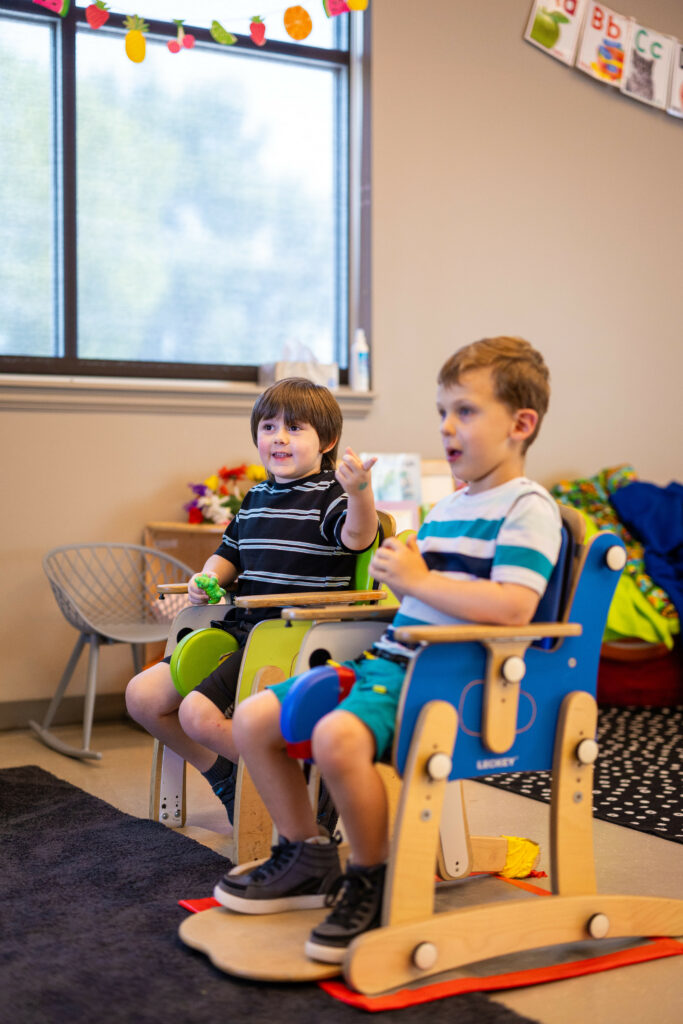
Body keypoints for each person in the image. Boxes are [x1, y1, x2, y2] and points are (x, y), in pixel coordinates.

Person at [214, 336, 562, 963]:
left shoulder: (528, 508)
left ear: (521, 424)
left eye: (465, 411)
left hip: (452, 678)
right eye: (442, 412)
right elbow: (413, 592)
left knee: (337, 739)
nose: (447, 426)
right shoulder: (453, 506)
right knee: (255, 716)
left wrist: (417, 580)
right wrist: (406, 579)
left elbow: (516, 608)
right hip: (391, 661)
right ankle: (307, 853)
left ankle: (370, 879)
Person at [125, 377, 378, 825]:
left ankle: (303, 785)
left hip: (294, 639)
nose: (279, 437)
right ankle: (225, 775)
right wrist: (206, 578)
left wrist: (360, 492)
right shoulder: (255, 498)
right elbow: (228, 555)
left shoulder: (332, 496)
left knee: (197, 715)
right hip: (243, 630)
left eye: (295, 428)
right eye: (268, 427)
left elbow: (358, 538)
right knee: (143, 696)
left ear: (329, 440)